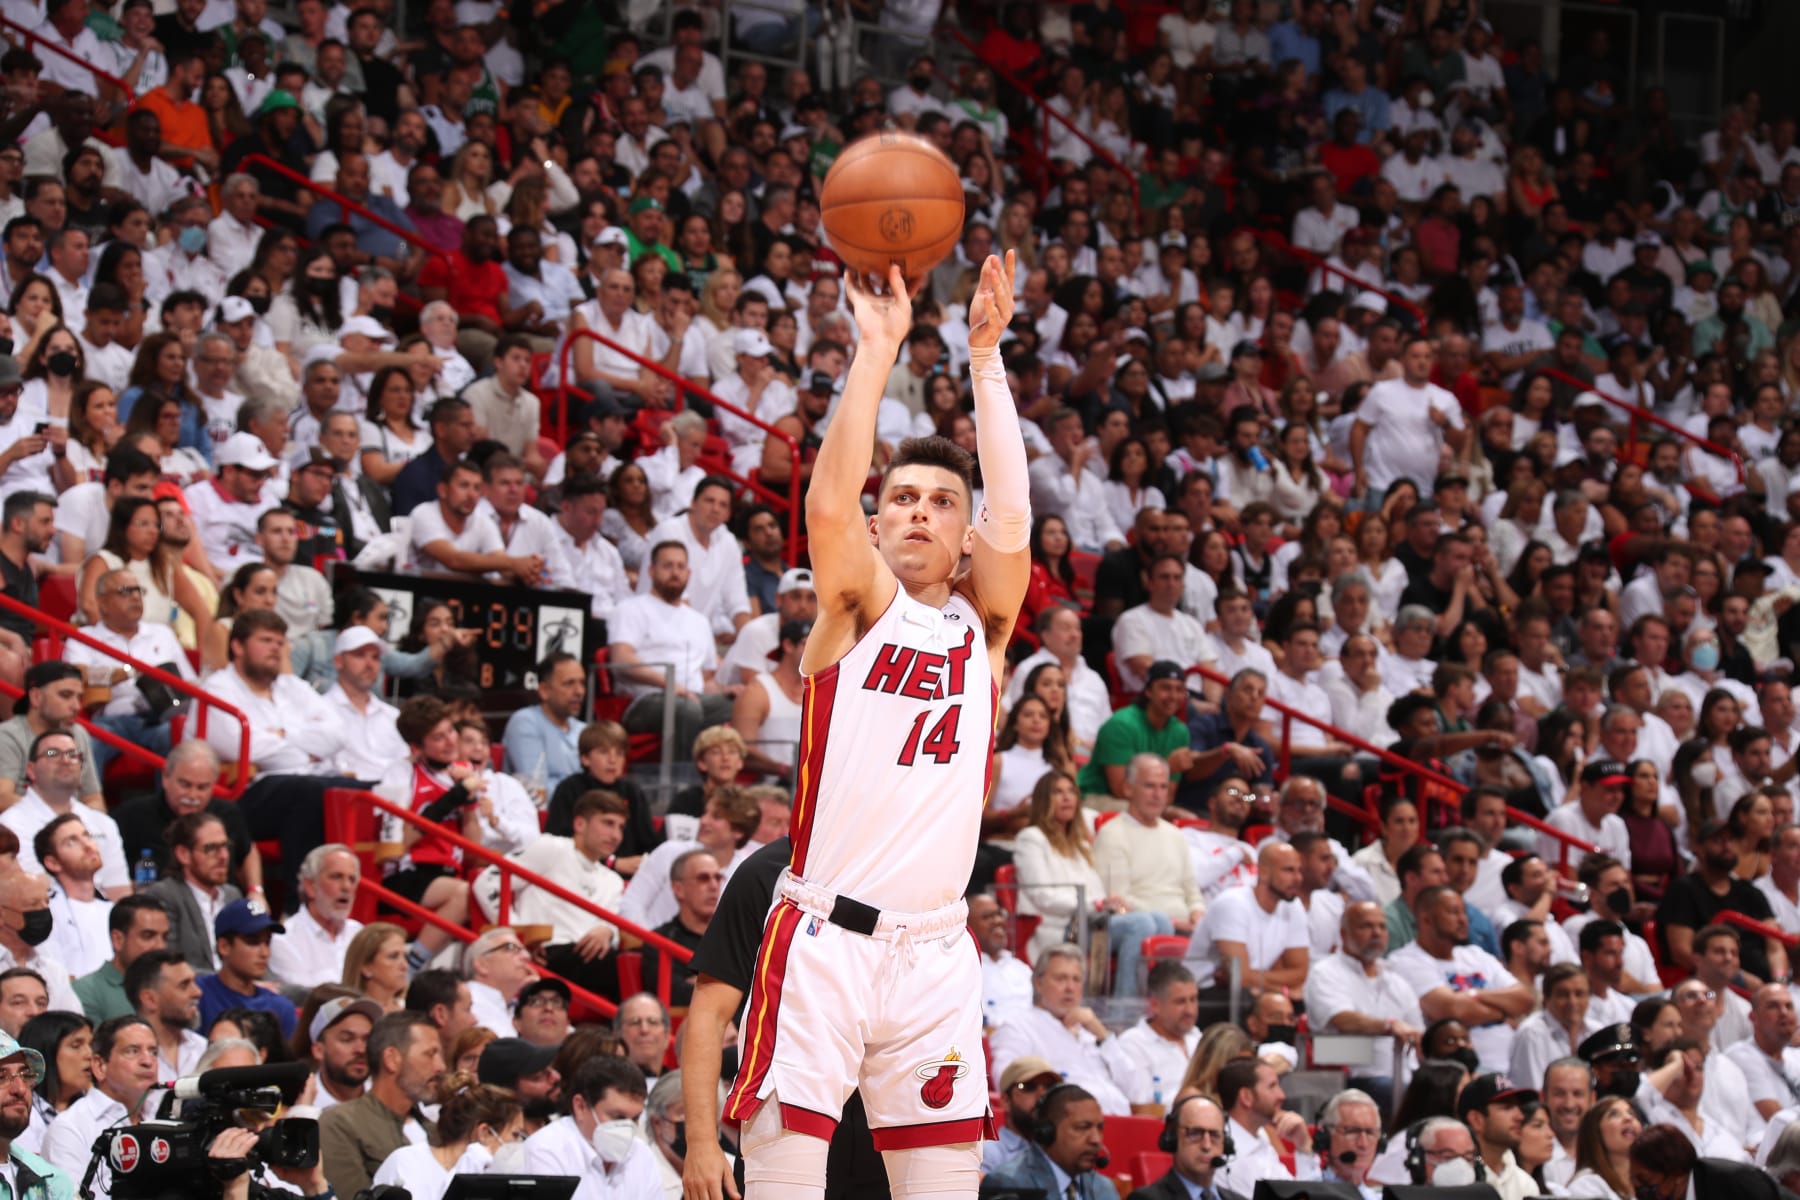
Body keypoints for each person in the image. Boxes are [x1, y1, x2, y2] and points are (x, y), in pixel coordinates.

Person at [711, 252, 1030, 1194]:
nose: (921, 513)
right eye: (903, 500)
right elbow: (823, 501)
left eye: (942, 502)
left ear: (964, 531)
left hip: (936, 952)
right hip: (822, 943)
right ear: (879, 526)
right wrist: (877, 347)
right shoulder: (852, 606)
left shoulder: (986, 628)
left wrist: (986, 359)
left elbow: (1013, 510)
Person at [493, 790, 626, 998]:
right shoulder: (552, 847)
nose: (616, 835)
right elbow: (489, 882)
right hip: (548, 952)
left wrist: (608, 931)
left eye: (620, 827)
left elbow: (614, 926)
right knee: (629, 968)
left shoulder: (613, 881)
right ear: (580, 824)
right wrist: (517, 936)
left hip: (590, 959)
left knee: (632, 964)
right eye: (608, 823)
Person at [1389, 885, 1537, 1072]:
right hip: (1460, 1070)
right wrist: (1503, 1013)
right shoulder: (1406, 960)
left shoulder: (1476, 954)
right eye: (1453, 912)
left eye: (1464, 912)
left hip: (1513, 1065)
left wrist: (1474, 994)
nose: (1463, 920)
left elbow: (1524, 999)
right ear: (1426, 920)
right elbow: (1450, 1010)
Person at [1093, 754, 1205, 997]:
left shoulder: (1176, 835)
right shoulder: (1112, 833)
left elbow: (1191, 890)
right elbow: (1118, 900)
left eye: (1163, 787)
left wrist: (1197, 913)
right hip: (1129, 923)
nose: (1157, 794)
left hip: (1182, 923)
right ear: (1128, 788)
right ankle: (1127, 1009)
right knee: (1150, 923)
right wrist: (1175, 922)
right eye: (1149, 786)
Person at [987, 945, 1133, 1115]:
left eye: (1076, 979)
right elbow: (1007, 1082)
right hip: (1064, 1128)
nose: (1070, 988)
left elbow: (1133, 1089)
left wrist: (1103, 1035)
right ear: (1038, 983)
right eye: (1061, 979)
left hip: (1120, 1123)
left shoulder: (1091, 1033)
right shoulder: (1018, 1027)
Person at [1305, 902, 1425, 1105]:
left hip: (1403, 1074)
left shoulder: (1396, 979)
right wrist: (1389, 1026)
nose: (1376, 933)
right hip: (1351, 1076)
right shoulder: (1325, 972)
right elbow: (1341, 1019)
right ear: (1344, 935)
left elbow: (1418, 1032)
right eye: (1366, 926)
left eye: (1382, 926)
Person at [111, 741, 261, 900]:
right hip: (157, 909)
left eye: (202, 787)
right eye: (185, 785)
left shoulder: (227, 813)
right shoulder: (132, 815)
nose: (192, 795)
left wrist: (256, 890)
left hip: (223, 907)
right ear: (166, 777)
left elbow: (248, 851)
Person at [318, 1011, 443, 1198]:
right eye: (430, 1054)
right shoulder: (339, 1123)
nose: (440, 1066)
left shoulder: (436, 1129)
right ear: (392, 1059)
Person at [519, 1056, 662, 1198]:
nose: (627, 1128)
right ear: (580, 1106)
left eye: (635, 1118)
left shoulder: (641, 1153)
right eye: (617, 1117)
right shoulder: (546, 1149)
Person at [39, 1014, 158, 1182]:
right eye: (132, 1051)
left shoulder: (164, 1115)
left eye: (154, 1052)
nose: (148, 1061)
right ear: (100, 1066)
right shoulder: (70, 1128)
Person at [370, 1071, 521, 1200]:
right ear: (485, 1133)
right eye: (515, 1135)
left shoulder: (495, 1178)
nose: (519, 1143)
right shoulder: (406, 1163)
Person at [982, 1082, 1120, 1199]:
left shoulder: (1105, 1188)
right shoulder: (1009, 1183)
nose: (1096, 1139)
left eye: (1100, 1128)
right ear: (1047, 1132)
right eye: (1082, 1127)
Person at [142, 812, 242, 972]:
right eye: (211, 848)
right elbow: (169, 964)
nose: (223, 856)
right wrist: (227, 985)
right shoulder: (164, 895)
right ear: (184, 854)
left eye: (225, 846)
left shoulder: (233, 895)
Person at [0, 663, 103, 812]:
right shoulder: (8, 735)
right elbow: (3, 797)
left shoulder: (79, 734)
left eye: (79, 697)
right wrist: (58, 817)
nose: (76, 706)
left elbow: (93, 799)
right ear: (36, 697)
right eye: (66, 695)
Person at [1101, 962, 1200, 1113]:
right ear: (1155, 1005)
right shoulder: (1134, 1043)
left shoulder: (1197, 1036)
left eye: (1193, 999)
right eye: (1180, 1002)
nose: (1190, 1010)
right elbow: (1142, 1107)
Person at [1215, 1057, 1320, 1194]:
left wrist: (1304, 1147)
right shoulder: (1227, 1154)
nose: (1281, 1095)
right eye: (1272, 1086)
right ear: (1246, 1097)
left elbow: (1299, 1194)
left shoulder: (1260, 1136)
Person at [196, 898, 297, 1037]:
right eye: (253, 942)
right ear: (224, 946)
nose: (264, 953)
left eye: (267, 942)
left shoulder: (281, 1008)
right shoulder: (197, 995)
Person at [269, 844, 363, 989]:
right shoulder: (284, 939)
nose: (346, 887)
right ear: (310, 887)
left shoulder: (359, 933)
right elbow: (306, 998)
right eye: (336, 877)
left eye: (352, 879)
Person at [71, 895, 168, 1024]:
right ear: (118, 940)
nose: (161, 946)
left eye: (165, 937)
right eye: (148, 936)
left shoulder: (172, 987)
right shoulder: (87, 991)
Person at [1127, 1093, 1242, 1200]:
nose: (1206, 1145)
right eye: (1195, 1133)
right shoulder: (1146, 1198)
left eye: (1214, 1135)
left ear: (1226, 1143)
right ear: (1172, 1138)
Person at [123, 948, 202, 1080]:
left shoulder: (203, 1049)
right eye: (184, 985)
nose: (197, 992)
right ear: (150, 999)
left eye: (194, 982)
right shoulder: (126, 1062)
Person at [1462, 1072, 1543, 1200]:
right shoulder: (1458, 1178)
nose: (1520, 1117)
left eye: (1518, 1108)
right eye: (1507, 1107)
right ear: (1476, 1119)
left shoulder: (1525, 1185)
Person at [307, 993, 381, 1111]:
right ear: (318, 1050)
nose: (361, 1050)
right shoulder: (299, 1105)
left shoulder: (388, 1100)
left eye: (368, 1039)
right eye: (347, 1039)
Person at [460, 927, 536, 1037]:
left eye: (525, 950)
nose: (526, 956)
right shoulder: (463, 1001)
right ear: (482, 965)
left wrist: (536, 996)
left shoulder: (518, 1008)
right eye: (511, 948)